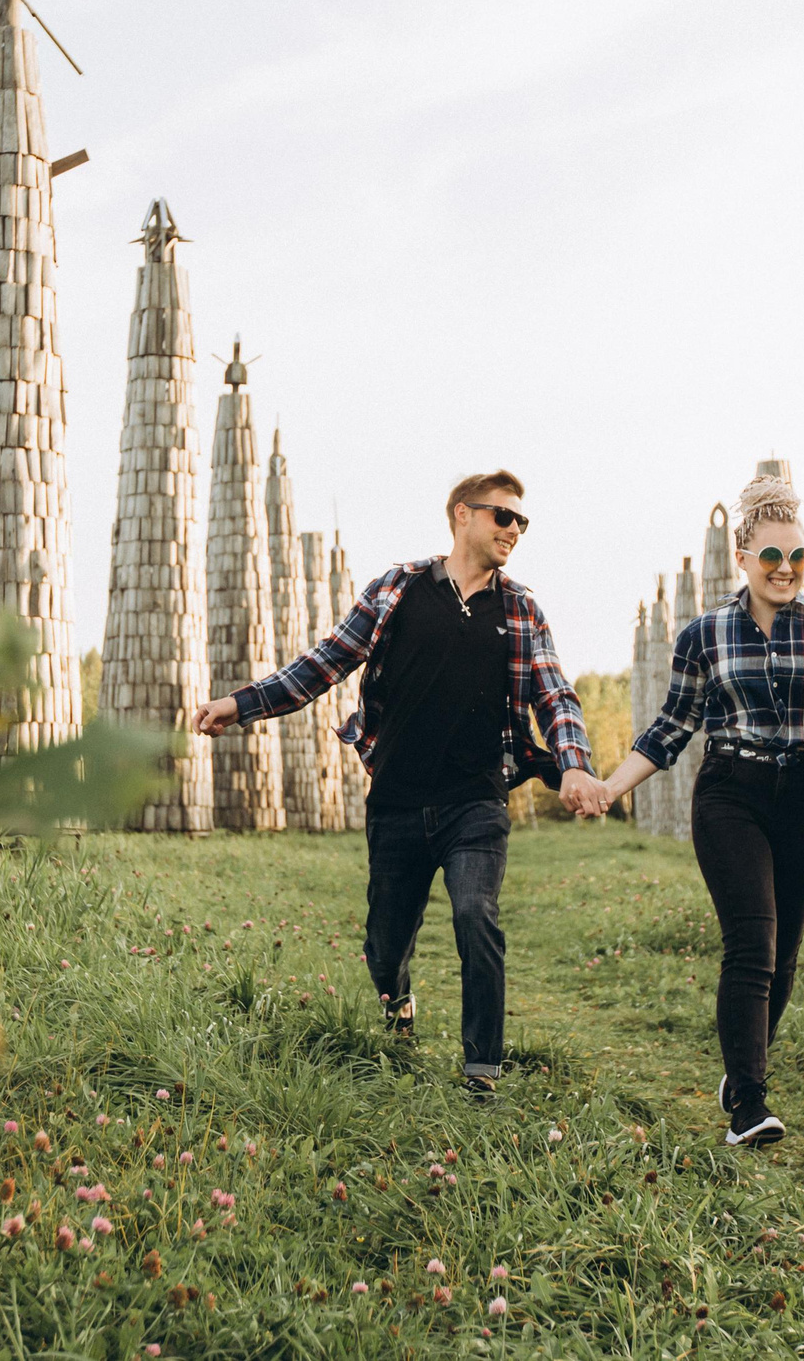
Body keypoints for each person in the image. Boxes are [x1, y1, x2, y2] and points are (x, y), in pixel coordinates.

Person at [196, 469, 605, 1096]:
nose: (515, 531)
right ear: (461, 516)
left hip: (476, 800)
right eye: (503, 517)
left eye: (523, 521)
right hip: (397, 802)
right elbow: (325, 661)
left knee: (477, 916)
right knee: (385, 946)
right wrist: (241, 703)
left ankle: (482, 1070)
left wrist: (572, 761)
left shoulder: (521, 608)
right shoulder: (398, 588)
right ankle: (398, 1002)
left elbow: (555, 695)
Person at [568, 473, 804, 1146]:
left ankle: (739, 1066)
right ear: (743, 560)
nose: (786, 570)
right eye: (772, 557)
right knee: (752, 942)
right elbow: (671, 729)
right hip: (731, 792)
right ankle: (748, 1102)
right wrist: (610, 785)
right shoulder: (704, 635)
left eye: (797, 557)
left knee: (784, 957)